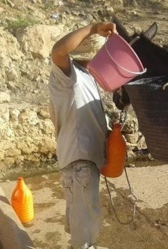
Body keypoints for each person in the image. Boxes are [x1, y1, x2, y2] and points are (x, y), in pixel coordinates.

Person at [48, 21, 117, 249]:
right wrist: (92, 28)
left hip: (85, 163)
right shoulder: (68, 75)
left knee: (82, 220)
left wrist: (111, 134)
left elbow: (86, 119)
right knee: (84, 226)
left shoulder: (87, 77)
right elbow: (57, 51)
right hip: (79, 163)